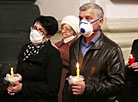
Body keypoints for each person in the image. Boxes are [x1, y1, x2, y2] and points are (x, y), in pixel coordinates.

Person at [63, 3, 125, 102]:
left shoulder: (112, 49)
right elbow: (70, 74)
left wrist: (87, 88)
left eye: (88, 18)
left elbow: (117, 85)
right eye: (81, 18)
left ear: (100, 22)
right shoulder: (75, 45)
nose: (83, 22)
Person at [6, 16, 62, 102]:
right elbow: (20, 73)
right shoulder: (26, 48)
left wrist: (23, 87)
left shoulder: (53, 54)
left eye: (41, 31)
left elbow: (52, 88)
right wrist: (13, 84)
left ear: (49, 36)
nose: (35, 32)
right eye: (35, 28)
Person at [54, 15, 80, 102]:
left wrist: (57, 52)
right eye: (62, 28)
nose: (63, 31)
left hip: (66, 80)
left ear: (74, 31)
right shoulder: (57, 44)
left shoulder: (78, 45)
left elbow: (73, 61)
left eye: (67, 29)